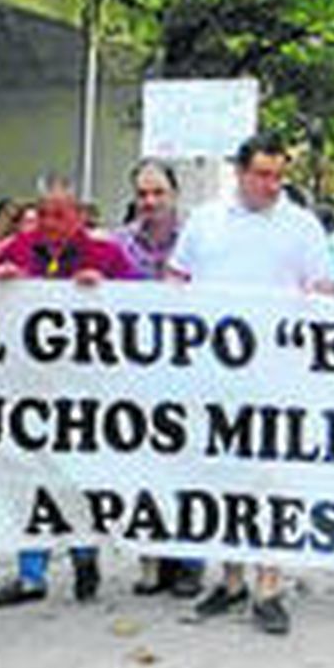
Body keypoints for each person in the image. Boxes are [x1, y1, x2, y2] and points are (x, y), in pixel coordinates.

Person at [169, 132, 334, 635]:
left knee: (271, 484)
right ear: (239, 173)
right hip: (214, 378)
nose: (271, 184)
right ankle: (231, 578)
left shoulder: (302, 225)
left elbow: (323, 288)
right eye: (262, 174)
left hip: (277, 380)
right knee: (222, 478)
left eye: (278, 174)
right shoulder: (205, 221)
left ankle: (269, 584)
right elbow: (176, 281)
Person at [0, 174, 139, 608]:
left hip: (85, 391)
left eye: (60, 213)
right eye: (44, 212)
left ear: (79, 215)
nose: (50, 222)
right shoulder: (14, 250)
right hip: (28, 388)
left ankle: (84, 557)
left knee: (79, 480)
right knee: (29, 481)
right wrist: (0, 286)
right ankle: (30, 574)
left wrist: (106, 293)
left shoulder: (106, 254)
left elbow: (142, 309)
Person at [114, 159, 202, 599]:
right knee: (145, 471)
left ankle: (188, 562)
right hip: (137, 378)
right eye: (142, 194)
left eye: (158, 193)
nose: (150, 202)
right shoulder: (118, 245)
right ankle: (151, 562)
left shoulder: (199, 240)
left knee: (188, 471)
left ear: (174, 194)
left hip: (191, 376)